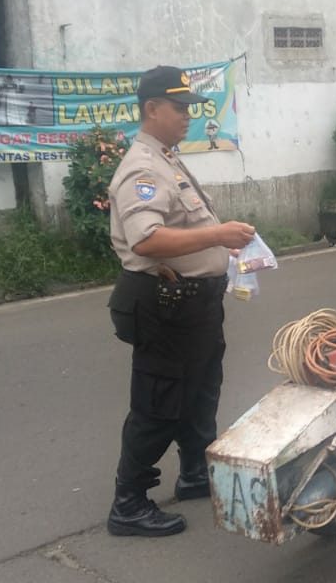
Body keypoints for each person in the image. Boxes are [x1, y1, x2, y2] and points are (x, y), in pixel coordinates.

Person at [104, 65, 256, 537]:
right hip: (164, 304)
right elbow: (146, 238)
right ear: (152, 109)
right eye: (179, 108)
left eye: (190, 107)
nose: (187, 116)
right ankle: (128, 502)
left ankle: (194, 473)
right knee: (159, 403)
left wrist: (221, 248)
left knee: (200, 392)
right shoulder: (142, 167)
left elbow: (185, 229)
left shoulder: (167, 159)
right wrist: (220, 234)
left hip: (195, 306)